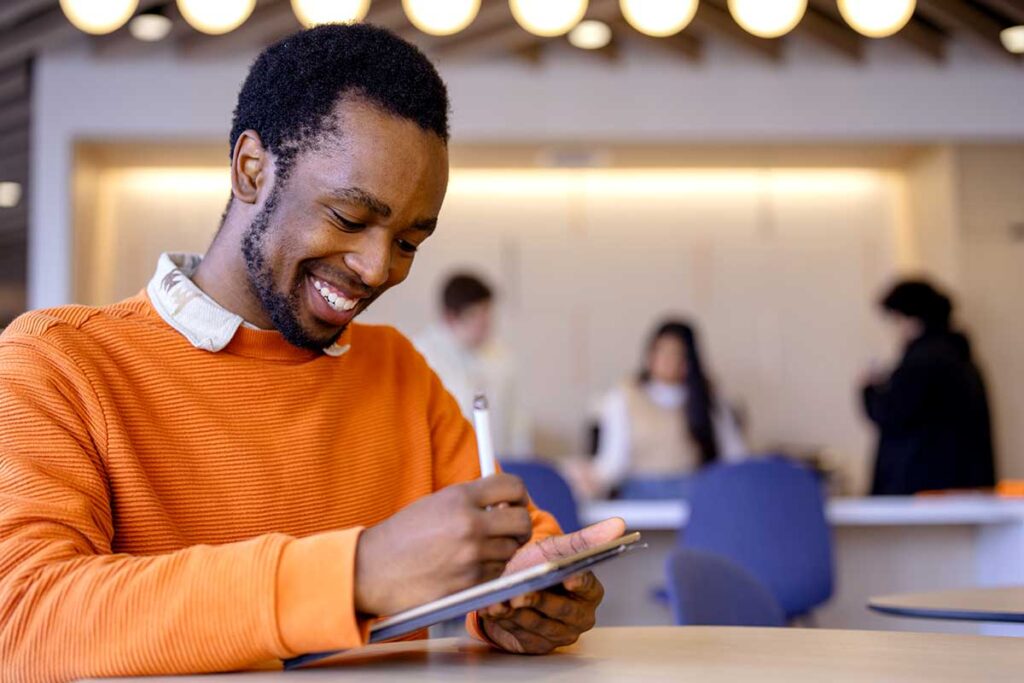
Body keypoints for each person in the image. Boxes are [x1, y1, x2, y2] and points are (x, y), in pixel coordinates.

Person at [0, 25, 623, 681]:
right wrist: (356, 572)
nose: (379, 267)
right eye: (351, 219)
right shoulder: (58, 363)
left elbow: (516, 536)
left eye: (410, 240)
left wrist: (521, 598)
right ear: (250, 170)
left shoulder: (397, 371)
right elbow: (20, 617)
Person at [581, 319, 748, 499]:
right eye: (660, 351)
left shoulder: (708, 398)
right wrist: (589, 478)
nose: (666, 360)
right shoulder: (624, 397)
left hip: (693, 494)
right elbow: (613, 463)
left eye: (676, 354)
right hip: (639, 495)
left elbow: (734, 457)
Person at [862, 279, 996, 495]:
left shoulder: (922, 361)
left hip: (920, 492)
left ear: (912, 319)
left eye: (897, 321)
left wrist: (870, 390)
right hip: (959, 490)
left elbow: (892, 413)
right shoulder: (959, 357)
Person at [413, 273, 532, 458]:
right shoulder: (421, 356)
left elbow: (516, 422)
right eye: (475, 315)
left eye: (487, 313)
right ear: (450, 317)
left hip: (497, 464)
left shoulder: (500, 355)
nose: (485, 323)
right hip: (444, 469)